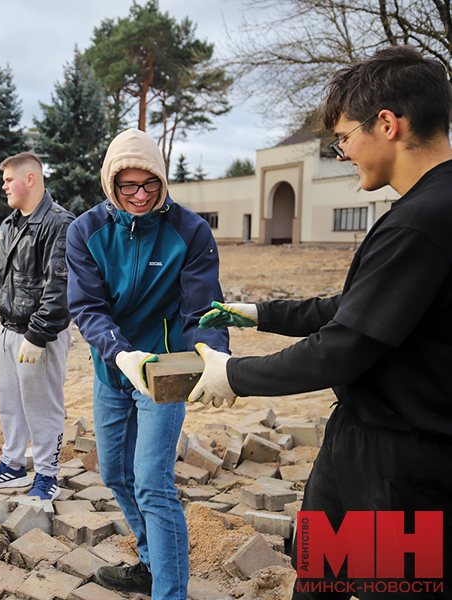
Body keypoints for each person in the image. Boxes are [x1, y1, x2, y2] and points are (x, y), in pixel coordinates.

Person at [191, 46, 452, 598]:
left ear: (387, 124)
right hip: (361, 443)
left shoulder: (423, 221)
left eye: (344, 137)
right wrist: (261, 312)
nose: (342, 152)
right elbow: (359, 306)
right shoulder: (423, 209)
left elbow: (344, 345)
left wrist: (234, 374)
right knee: (317, 575)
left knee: (390, 586)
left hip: (398, 465)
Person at [66, 129, 228, 599]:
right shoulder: (85, 231)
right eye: (127, 187)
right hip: (113, 369)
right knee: (116, 472)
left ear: (161, 180)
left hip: (163, 375)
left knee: (153, 483)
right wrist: (118, 352)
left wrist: (213, 353)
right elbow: (87, 307)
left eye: (149, 185)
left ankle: (169, 592)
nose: (139, 196)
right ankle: (151, 562)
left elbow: (202, 308)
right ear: (110, 185)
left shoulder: (190, 231)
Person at [0, 152, 74, 501]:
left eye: (8, 179)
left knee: (42, 403)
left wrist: (39, 335)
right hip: (9, 330)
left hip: (39, 336)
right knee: (10, 401)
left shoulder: (60, 224)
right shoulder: (9, 225)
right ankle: (12, 465)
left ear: (30, 179)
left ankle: (47, 474)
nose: (4, 186)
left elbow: (60, 288)